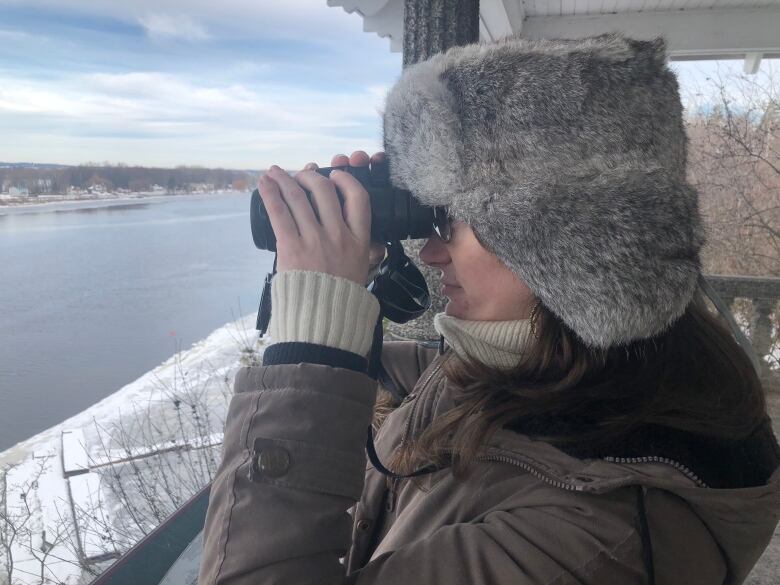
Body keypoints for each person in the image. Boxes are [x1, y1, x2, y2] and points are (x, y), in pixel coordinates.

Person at [198, 33, 780, 585]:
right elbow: (442, 376)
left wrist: (310, 352)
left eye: (446, 221)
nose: (428, 252)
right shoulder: (592, 368)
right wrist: (338, 329)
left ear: (556, 238)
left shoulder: (594, 540)